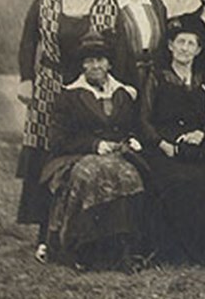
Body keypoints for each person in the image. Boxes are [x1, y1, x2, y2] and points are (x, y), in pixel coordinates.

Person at [15, 0, 120, 262]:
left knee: (86, 149)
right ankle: (45, 232)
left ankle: (85, 230)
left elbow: (115, 48)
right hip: (50, 85)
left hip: (89, 87)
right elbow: (28, 41)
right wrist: (26, 80)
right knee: (48, 155)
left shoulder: (105, 1)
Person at [40, 36, 146, 270]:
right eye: (89, 61)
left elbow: (134, 127)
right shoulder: (69, 95)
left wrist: (130, 141)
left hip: (119, 156)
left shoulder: (124, 94)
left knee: (128, 176)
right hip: (76, 157)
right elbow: (58, 140)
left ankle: (123, 250)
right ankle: (84, 251)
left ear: (109, 64)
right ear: (82, 65)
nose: (95, 66)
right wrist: (94, 145)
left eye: (100, 60)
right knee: (92, 173)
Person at [139, 14, 205, 264]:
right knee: (177, 182)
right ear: (170, 45)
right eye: (180, 42)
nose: (185, 48)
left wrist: (202, 134)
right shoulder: (156, 77)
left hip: (197, 147)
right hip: (164, 147)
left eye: (191, 44)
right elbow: (144, 119)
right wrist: (162, 144)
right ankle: (173, 253)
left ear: (198, 50)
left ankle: (202, 252)